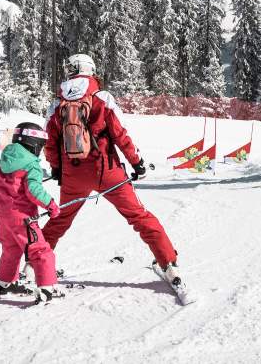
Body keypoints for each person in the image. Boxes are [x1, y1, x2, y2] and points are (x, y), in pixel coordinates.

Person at [41, 53, 182, 285]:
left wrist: (57, 169)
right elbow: (120, 133)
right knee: (138, 216)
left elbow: (51, 143)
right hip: (107, 171)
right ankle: (169, 263)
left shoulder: (58, 103)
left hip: (73, 173)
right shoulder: (102, 97)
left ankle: (32, 263)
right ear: (90, 70)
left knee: (60, 219)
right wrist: (137, 163)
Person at [0, 122, 63, 303]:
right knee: (40, 250)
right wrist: (50, 205)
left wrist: (7, 194)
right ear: (33, 143)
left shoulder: (2, 161)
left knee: (10, 249)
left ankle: (2, 282)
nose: (40, 151)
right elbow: (33, 190)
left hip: (2, 216)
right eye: (40, 146)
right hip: (22, 218)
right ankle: (47, 287)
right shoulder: (31, 164)